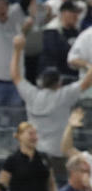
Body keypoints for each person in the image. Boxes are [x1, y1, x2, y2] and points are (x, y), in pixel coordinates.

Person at [11, 34, 92, 168]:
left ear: (41, 82)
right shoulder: (64, 95)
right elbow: (87, 81)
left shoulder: (32, 94)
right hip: (58, 155)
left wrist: (17, 50)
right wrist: (88, 65)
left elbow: (15, 76)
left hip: (35, 153)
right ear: (59, 83)